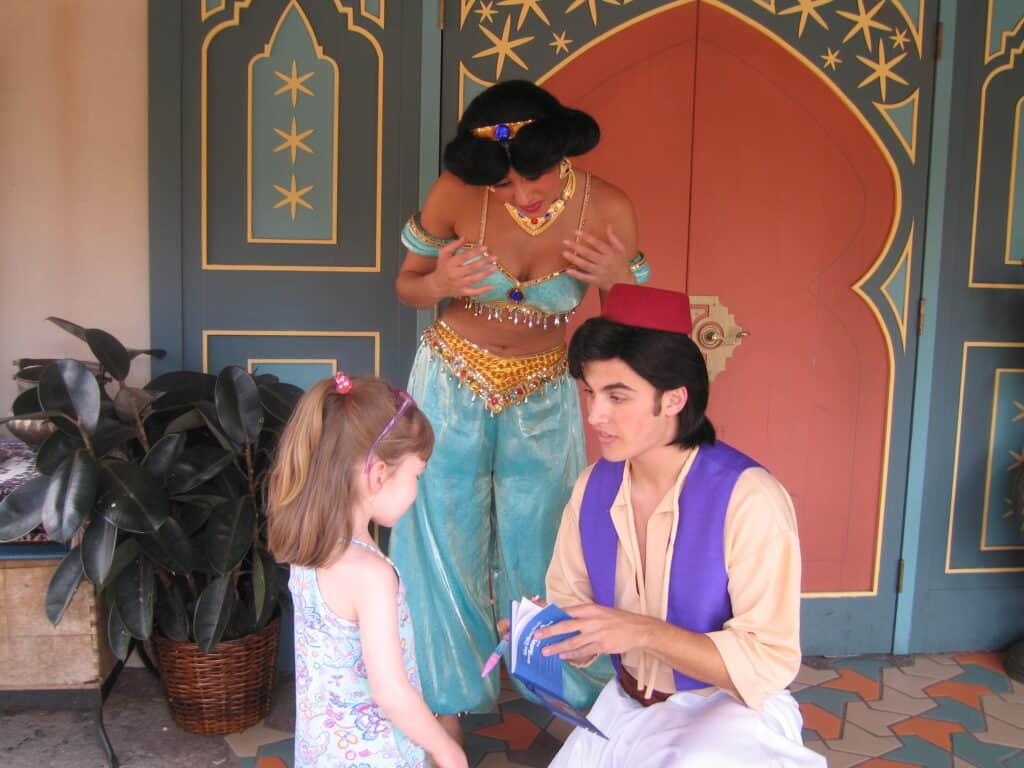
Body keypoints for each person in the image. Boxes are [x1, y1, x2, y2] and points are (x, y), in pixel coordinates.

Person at [389, 79, 649, 732]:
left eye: (529, 177)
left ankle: (561, 700)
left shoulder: (608, 207)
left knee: (547, 543)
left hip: (544, 387)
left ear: (560, 153)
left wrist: (617, 283)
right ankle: (445, 703)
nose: (518, 196)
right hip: (449, 378)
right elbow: (407, 287)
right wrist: (442, 282)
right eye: (501, 186)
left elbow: (634, 325)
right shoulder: (456, 193)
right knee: (442, 536)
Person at [537, 284, 826, 767]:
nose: (595, 415)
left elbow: (768, 660)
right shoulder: (593, 487)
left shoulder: (749, 498)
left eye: (617, 395)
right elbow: (573, 603)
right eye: (590, 392)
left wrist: (644, 633)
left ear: (673, 400)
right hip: (627, 705)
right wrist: (543, 631)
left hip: (730, 709)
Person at [266, 373, 468, 768]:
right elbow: (390, 691)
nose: (416, 490)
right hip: (376, 756)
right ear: (379, 474)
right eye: (416, 477)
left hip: (322, 751)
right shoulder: (371, 574)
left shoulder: (311, 551)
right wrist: (445, 748)